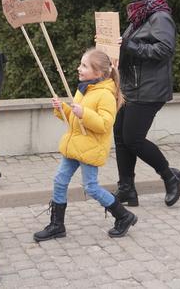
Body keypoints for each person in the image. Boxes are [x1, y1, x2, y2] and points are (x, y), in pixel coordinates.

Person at [34, 49, 137, 242]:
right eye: (81, 64)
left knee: (91, 187)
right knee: (59, 180)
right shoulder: (84, 88)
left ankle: (123, 216)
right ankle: (57, 225)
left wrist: (83, 114)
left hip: (90, 148)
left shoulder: (105, 94)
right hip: (75, 146)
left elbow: (105, 125)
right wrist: (62, 108)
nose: (78, 68)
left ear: (98, 73)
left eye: (84, 66)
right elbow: (74, 117)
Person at [113, 0, 180, 208]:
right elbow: (129, 47)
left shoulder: (160, 17)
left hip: (149, 89)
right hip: (129, 87)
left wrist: (129, 45)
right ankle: (127, 189)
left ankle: (168, 176)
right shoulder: (139, 17)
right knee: (121, 138)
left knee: (133, 139)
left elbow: (164, 50)